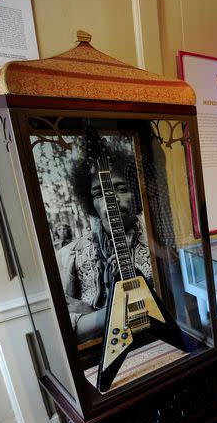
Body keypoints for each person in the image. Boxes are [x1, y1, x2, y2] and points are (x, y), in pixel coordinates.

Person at [57, 138, 153, 347]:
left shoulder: (156, 247)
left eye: (121, 188)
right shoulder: (70, 256)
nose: (112, 200)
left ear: (135, 192)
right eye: (99, 194)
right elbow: (64, 325)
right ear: (89, 201)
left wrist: (94, 316)